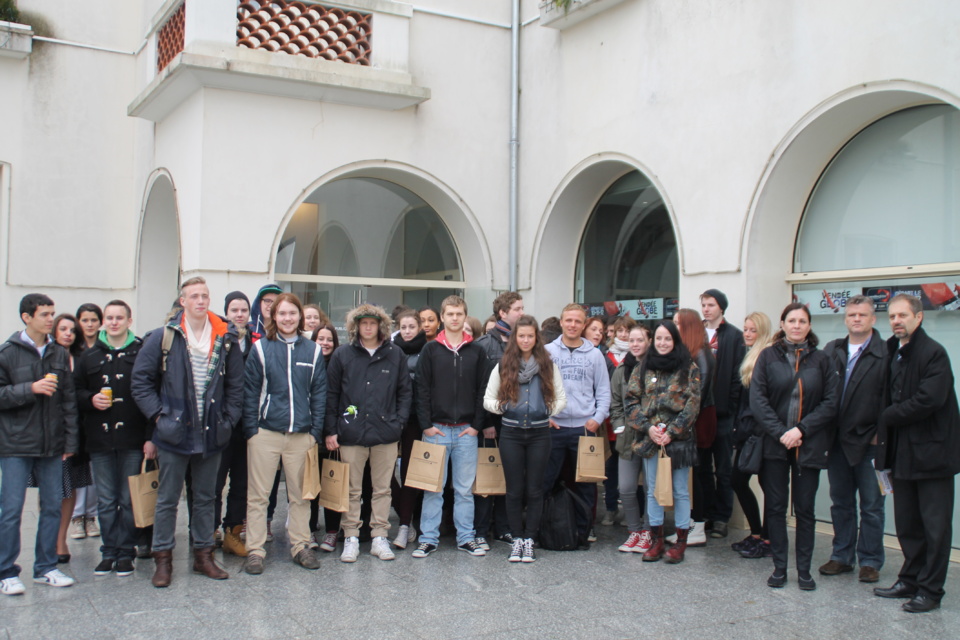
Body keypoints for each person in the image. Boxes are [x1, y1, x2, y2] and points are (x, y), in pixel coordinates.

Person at [131, 277, 244, 587]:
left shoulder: (225, 336)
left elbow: (236, 386)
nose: (200, 300)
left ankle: (203, 556)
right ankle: (163, 559)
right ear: (182, 301)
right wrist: (159, 416)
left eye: (205, 295)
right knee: (167, 499)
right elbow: (140, 382)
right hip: (173, 432)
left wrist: (228, 419)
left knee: (206, 497)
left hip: (211, 431)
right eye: (194, 296)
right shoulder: (164, 337)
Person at [874, 294, 960, 613]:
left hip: (933, 457)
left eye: (902, 315)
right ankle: (909, 580)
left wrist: (887, 416)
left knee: (935, 528)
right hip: (901, 454)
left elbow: (929, 400)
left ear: (918, 318)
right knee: (908, 523)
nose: (896, 321)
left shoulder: (934, 353)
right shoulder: (891, 351)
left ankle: (931, 590)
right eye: (892, 316)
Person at [751, 302, 838, 591]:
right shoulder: (767, 356)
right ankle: (779, 567)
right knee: (775, 508)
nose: (797, 325)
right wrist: (781, 433)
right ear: (783, 324)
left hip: (808, 444)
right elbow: (758, 400)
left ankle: (803, 570)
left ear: (809, 326)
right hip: (775, 445)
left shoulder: (822, 359)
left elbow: (830, 402)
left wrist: (800, 430)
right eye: (792, 320)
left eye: (802, 321)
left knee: (805, 510)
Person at [0, 294, 80, 595]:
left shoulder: (58, 354)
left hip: (52, 445)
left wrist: (70, 441)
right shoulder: (6, 353)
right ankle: (6, 571)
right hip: (15, 445)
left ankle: (45, 567)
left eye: (52, 313)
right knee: (11, 510)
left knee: (51, 507)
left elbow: (69, 400)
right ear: (26, 317)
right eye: (45, 314)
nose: (51, 319)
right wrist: (29, 389)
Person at [242, 293, 327, 574]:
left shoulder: (312, 350)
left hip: (301, 435)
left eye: (292, 313)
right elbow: (251, 392)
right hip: (266, 432)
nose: (287, 318)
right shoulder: (260, 349)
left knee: (301, 496)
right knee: (258, 495)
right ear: (273, 317)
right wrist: (252, 431)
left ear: (300, 317)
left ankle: (301, 546)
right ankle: (255, 550)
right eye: (282, 313)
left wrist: (314, 432)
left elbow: (319, 393)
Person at [325, 304, 411, 563]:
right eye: (363, 323)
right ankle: (351, 536)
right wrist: (332, 429)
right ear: (356, 326)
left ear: (381, 325)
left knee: (382, 488)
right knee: (351, 489)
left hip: (385, 433)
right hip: (352, 432)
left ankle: (379, 536)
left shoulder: (395, 355)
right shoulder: (343, 355)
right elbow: (332, 395)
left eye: (373, 323)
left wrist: (399, 423)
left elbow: (405, 392)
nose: (368, 327)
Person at [73, 300, 153, 577]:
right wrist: (89, 399)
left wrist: (150, 437)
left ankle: (126, 552)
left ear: (129, 321)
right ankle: (109, 551)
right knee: (106, 499)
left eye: (120, 317)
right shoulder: (90, 355)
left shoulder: (142, 352)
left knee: (128, 499)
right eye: (110, 317)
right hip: (100, 439)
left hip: (132, 438)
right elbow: (75, 392)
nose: (114, 322)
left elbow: (152, 395)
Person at [484, 315, 566, 562]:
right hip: (511, 433)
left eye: (530, 335)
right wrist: (504, 407)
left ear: (536, 338)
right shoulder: (503, 365)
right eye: (522, 336)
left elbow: (561, 398)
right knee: (514, 490)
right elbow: (487, 399)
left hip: (540, 434)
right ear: (514, 338)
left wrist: (546, 411)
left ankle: (529, 538)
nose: (526, 340)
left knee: (535, 489)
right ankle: (516, 538)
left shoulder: (548, 365)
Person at [818, 295, 887, 584]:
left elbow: (890, 398)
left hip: (870, 442)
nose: (856, 319)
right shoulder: (833, 350)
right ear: (845, 319)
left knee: (871, 504)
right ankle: (842, 556)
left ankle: (870, 561)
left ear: (873, 319)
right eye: (852, 315)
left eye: (862, 314)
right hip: (837, 442)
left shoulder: (885, 353)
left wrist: (879, 436)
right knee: (841, 502)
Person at [412, 295, 487, 558]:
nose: (455, 318)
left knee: (465, 490)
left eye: (459, 314)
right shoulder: (431, 350)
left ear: (465, 317)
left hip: (466, 431)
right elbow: (420, 389)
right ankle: (428, 538)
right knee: (432, 488)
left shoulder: (477, 351)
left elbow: (482, 391)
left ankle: (466, 537)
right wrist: (426, 425)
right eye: (450, 314)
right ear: (442, 317)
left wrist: (477, 425)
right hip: (437, 430)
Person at [625, 321, 701, 564]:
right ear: (653, 341)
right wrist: (649, 429)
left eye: (667, 338)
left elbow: (693, 404)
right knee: (653, 491)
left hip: (678, 441)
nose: (662, 343)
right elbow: (631, 401)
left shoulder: (689, 367)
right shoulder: (642, 367)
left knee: (679, 491)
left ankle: (680, 541)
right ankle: (655, 540)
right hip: (650, 440)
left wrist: (673, 431)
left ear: (675, 340)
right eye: (658, 338)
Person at [543, 304, 611, 548]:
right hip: (555, 428)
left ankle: (584, 531)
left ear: (584, 325)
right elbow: (537, 388)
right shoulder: (547, 352)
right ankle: (545, 530)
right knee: (546, 482)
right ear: (561, 322)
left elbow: (604, 391)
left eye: (577, 321)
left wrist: (598, 417)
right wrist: (545, 414)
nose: (572, 325)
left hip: (585, 428)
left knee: (586, 485)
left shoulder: (594, 355)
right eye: (568, 320)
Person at [474, 291, 525, 548]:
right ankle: (481, 529)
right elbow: (479, 389)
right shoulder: (484, 344)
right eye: (517, 309)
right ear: (503, 312)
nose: (522, 313)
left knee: (510, 476)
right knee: (487, 475)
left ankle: (504, 527)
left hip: (516, 422)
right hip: (492, 423)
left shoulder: (522, 342)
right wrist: (485, 424)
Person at [43, 315, 91, 564]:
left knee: (69, 485)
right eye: (62, 329)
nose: (68, 334)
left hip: (77, 432)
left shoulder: (82, 358)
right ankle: (49, 539)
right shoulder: (45, 356)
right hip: (48, 432)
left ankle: (60, 539)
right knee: (51, 488)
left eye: (72, 330)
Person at [667, 309, 715, 548]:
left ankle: (697, 525)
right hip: (690, 419)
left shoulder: (701, 354)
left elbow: (699, 393)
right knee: (693, 474)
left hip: (699, 420)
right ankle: (691, 523)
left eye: (678, 323)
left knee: (698, 473)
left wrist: (683, 418)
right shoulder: (687, 352)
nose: (674, 327)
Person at [700, 289, 746, 539]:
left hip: (724, 413)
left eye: (711, 305)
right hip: (700, 413)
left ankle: (721, 517)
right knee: (702, 467)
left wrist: (734, 410)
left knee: (724, 469)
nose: (706, 309)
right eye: (704, 304)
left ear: (721, 308)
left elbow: (738, 379)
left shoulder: (734, 336)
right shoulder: (696, 333)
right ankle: (707, 512)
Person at [730, 312, 773, 559]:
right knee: (738, 481)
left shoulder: (765, 357)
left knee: (768, 486)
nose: (747, 334)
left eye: (752, 330)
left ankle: (766, 538)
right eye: (745, 329)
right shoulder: (751, 355)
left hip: (761, 435)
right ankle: (757, 533)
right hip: (748, 434)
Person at [215, 291, 255, 557]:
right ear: (226, 313)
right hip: (220, 425)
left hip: (247, 426)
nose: (239, 315)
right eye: (234, 310)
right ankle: (207, 533)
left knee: (241, 483)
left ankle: (233, 533)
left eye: (243, 310)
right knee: (214, 483)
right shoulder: (218, 340)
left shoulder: (256, 342)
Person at [609, 325, 652, 553]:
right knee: (625, 487)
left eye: (640, 340)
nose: (635, 344)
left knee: (650, 488)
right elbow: (615, 402)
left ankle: (648, 531)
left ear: (648, 341)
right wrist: (619, 426)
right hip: (627, 437)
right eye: (632, 340)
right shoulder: (622, 370)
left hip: (651, 436)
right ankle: (634, 531)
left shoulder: (657, 367)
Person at [390, 309, 426, 549]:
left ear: (420, 327)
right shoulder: (391, 351)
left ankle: (405, 524)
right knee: (382, 471)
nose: (407, 331)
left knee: (411, 472)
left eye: (412, 326)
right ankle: (403, 508)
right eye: (403, 327)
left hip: (415, 418)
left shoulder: (428, 350)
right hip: (392, 416)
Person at [70, 302, 104, 540]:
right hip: (77, 416)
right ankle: (77, 515)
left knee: (94, 470)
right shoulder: (72, 350)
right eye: (85, 320)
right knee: (78, 468)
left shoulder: (104, 348)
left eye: (93, 320)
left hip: (100, 415)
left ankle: (91, 516)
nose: (90, 324)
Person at [310, 323, 342, 552]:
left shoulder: (339, 365)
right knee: (311, 487)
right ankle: (310, 529)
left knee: (332, 484)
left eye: (329, 339)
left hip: (333, 436)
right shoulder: (308, 364)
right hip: (310, 434)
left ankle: (332, 531)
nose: (324, 343)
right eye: (320, 338)